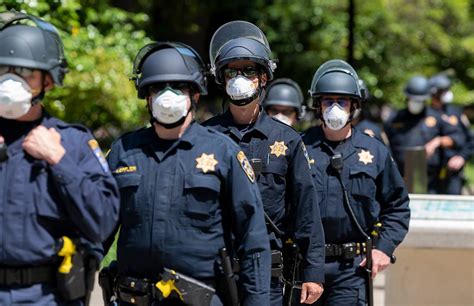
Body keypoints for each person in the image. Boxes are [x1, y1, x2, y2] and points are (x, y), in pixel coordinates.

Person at [105, 41, 271, 306]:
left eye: (179, 86)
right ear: (146, 96)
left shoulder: (223, 152)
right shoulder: (124, 152)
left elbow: (253, 241)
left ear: (195, 94)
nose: (167, 95)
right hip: (132, 298)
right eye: (158, 87)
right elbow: (96, 232)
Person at [0, 11, 120, 305]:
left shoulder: (72, 142)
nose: (11, 81)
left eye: (26, 72)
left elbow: (103, 221)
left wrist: (59, 160)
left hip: (47, 295)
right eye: (4, 69)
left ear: (48, 82)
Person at [203, 20, 325, 305]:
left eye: (248, 70)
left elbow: (306, 209)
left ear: (263, 78)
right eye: (232, 70)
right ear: (221, 77)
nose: (240, 77)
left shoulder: (288, 141)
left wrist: (313, 270)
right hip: (212, 273)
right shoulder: (205, 137)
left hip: (267, 275)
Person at [302, 59, 410, 305]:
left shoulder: (374, 151)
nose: (335, 108)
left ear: (354, 106)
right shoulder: (299, 147)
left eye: (342, 101)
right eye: (329, 101)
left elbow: (397, 206)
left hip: (351, 270)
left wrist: (384, 247)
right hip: (306, 266)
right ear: (318, 106)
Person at [384, 75, 465, 194]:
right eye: (413, 99)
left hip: (430, 181)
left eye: (420, 100)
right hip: (399, 179)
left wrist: (438, 141)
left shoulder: (436, 117)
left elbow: (457, 138)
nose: (416, 103)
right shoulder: (395, 119)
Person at [429, 74, 472, 194]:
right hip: (431, 174)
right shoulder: (426, 113)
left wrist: (462, 156)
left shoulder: (455, 112)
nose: (448, 93)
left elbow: (469, 139)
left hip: (452, 173)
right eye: (444, 90)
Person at [353, 79, 389, 145]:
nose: (353, 106)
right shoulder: (332, 131)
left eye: (357, 102)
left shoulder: (373, 130)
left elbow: (384, 153)